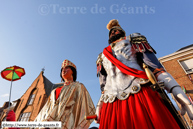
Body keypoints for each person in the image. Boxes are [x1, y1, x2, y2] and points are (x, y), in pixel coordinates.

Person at [95, 19, 193, 129]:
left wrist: (176, 89)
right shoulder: (101, 56)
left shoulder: (133, 39)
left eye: (116, 30)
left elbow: (155, 68)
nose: (113, 32)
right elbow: (103, 86)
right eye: (111, 32)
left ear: (122, 31)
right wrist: (99, 106)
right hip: (111, 102)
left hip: (139, 91)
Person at [35, 59, 96, 129]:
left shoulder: (79, 86)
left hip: (68, 123)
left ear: (73, 71)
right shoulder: (54, 91)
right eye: (62, 69)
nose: (63, 70)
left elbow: (85, 108)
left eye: (67, 68)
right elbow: (45, 109)